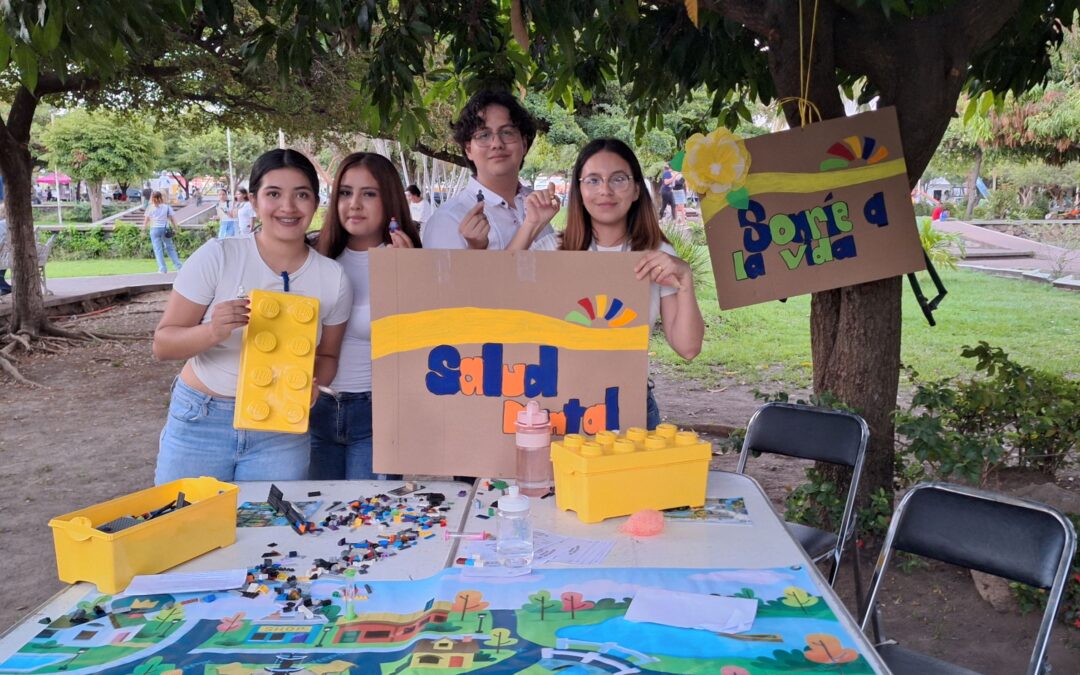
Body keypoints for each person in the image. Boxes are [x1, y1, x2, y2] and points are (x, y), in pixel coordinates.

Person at [151, 149, 353, 484]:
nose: (288, 207)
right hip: (202, 419)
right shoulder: (219, 256)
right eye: (273, 194)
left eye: (301, 195)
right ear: (255, 202)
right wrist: (213, 330)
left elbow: (328, 356)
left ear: (316, 204)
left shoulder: (333, 278)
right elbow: (163, 345)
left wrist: (310, 385)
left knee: (266, 532)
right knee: (185, 528)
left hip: (281, 429)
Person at [508, 139, 705, 429]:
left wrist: (685, 279)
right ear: (579, 189)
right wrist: (530, 224)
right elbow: (497, 289)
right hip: (559, 407)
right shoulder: (552, 250)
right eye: (593, 180)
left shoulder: (658, 255)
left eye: (618, 179)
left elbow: (688, 348)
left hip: (628, 406)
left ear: (637, 189)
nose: (605, 191)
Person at [311, 153, 422, 480]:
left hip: (377, 414)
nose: (354, 204)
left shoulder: (409, 259)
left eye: (368, 193)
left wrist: (410, 278)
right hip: (311, 408)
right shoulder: (311, 256)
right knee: (314, 518)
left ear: (389, 199)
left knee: (370, 522)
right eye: (345, 193)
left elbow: (423, 348)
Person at [421, 89, 554, 250]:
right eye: (484, 135)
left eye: (507, 132)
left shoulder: (539, 204)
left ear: (524, 144)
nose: (497, 143)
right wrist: (476, 251)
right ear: (468, 149)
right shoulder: (448, 220)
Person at [142, 191, 184, 273]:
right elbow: (172, 219)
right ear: (161, 197)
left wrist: (143, 231)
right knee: (170, 248)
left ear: (152, 198)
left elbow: (146, 221)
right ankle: (178, 266)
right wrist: (176, 228)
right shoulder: (166, 207)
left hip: (154, 229)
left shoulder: (150, 207)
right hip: (165, 229)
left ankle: (162, 268)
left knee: (158, 250)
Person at [0, 203, 10, 296]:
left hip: (4, 257)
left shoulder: (1, 224)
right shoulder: (18, 223)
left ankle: (5, 287)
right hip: (11, 256)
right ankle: (3, 286)